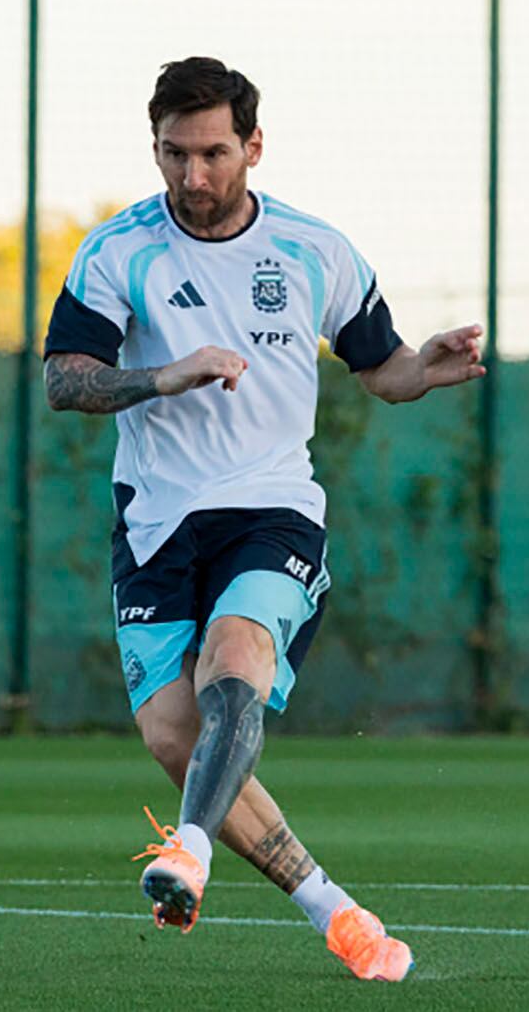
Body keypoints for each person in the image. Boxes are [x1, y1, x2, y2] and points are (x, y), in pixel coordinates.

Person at [41, 57, 485, 982]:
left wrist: (424, 367)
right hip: (158, 523)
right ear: (155, 146)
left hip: (272, 510)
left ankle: (190, 853)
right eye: (173, 155)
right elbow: (64, 380)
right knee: (173, 735)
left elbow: (381, 366)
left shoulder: (313, 248)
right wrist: (166, 374)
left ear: (252, 145)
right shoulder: (118, 251)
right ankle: (337, 911)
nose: (192, 177)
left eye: (210, 154)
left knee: (235, 655)